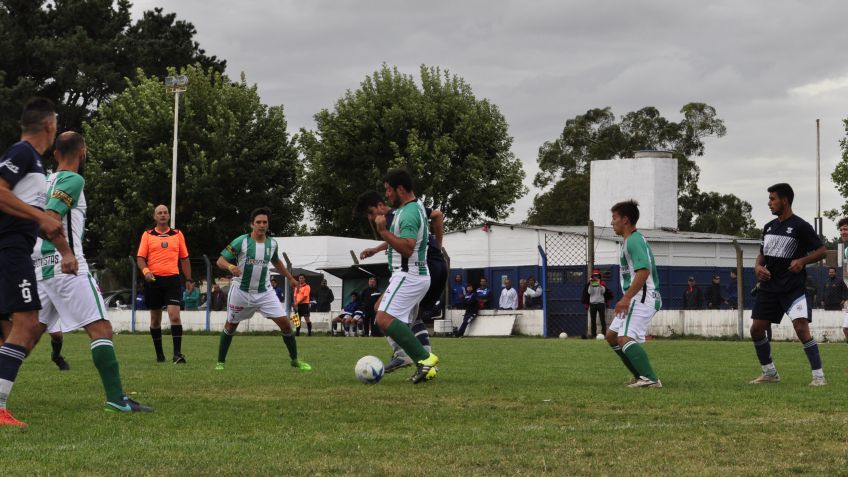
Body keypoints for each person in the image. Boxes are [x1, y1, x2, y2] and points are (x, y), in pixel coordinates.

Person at [31, 131, 153, 416]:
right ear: (82, 152)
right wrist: (67, 253)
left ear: (55, 153)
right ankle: (116, 399)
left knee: (24, 338)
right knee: (101, 329)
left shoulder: (43, 183)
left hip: (38, 267)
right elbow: (49, 220)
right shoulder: (73, 179)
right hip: (66, 267)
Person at [0, 98, 80, 427]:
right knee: (26, 322)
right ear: (49, 125)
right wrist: (38, 217)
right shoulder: (22, 153)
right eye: (56, 123)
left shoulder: (33, 162)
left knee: (12, 327)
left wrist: (61, 249)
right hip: (10, 249)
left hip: (15, 247)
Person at [356, 188, 446, 372]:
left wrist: (435, 247)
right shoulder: (409, 211)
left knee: (384, 313)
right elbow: (437, 215)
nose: (371, 218)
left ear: (381, 205)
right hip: (435, 267)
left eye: (370, 212)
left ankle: (406, 356)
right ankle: (423, 359)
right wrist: (437, 245)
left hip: (418, 270)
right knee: (411, 315)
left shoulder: (390, 218)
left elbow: (405, 244)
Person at [214, 207, 311, 372]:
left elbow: (276, 262)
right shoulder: (241, 241)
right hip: (241, 292)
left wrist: (290, 278)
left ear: (268, 224)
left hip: (265, 292)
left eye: (264, 222)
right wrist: (230, 266)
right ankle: (220, 363)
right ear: (252, 224)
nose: (261, 225)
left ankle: (294, 360)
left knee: (286, 325)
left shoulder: (272, 243)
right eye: (258, 222)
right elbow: (220, 260)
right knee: (231, 326)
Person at [749, 183, 827, 386]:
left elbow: (821, 251)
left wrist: (802, 261)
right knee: (756, 329)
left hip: (792, 288)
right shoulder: (769, 227)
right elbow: (761, 255)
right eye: (769, 199)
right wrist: (758, 267)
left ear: (785, 200)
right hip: (768, 288)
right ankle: (770, 373)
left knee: (801, 329)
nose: (769, 203)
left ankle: (819, 377)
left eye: (773, 199)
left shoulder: (801, 226)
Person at [605, 200, 663, 388]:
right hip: (638, 296)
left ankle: (651, 379)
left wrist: (626, 298)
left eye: (614, 218)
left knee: (624, 338)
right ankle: (640, 376)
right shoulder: (630, 241)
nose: (612, 222)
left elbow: (643, 271)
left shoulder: (634, 241)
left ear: (625, 220)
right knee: (612, 336)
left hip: (642, 297)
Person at [136, 204, 192, 364]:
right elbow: (140, 258)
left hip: (173, 280)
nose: (163, 215)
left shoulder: (177, 234)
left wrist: (188, 279)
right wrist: (146, 271)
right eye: (159, 213)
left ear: (169, 216)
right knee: (155, 320)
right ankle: (160, 355)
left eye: (165, 212)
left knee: (175, 316)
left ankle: (177, 354)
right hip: (153, 281)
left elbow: (184, 258)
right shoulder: (147, 235)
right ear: (155, 216)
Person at [582, 270, 612, 337]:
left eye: (597, 276)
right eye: (594, 276)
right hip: (592, 304)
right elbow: (590, 292)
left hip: (600, 303)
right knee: (593, 320)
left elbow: (603, 292)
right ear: (592, 277)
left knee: (602, 319)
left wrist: (599, 285)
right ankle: (593, 335)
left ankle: (603, 334)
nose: (596, 277)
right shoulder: (590, 285)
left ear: (599, 277)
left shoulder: (602, 284)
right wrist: (591, 284)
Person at [839, 218, 848, 343]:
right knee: (846, 329)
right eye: (841, 230)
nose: (842, 232)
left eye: (845, 229)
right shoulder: (846, 250)